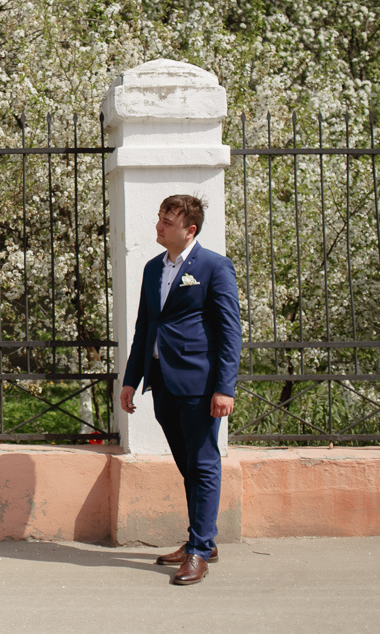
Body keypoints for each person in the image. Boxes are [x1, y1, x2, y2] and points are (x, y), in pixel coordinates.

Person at [119, 195, 241, 586]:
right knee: (188, 466)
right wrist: (130, 379)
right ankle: (201, 539)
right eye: (159, 218)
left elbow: (229, 333)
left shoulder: (214, 267)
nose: (158, 226)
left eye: (167, 222)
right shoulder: (153, 268)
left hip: (200, 384)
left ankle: (199, 552)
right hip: (162, 382)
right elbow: (145, 328)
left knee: (204, 465)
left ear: (190, 230)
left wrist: (224, 388)